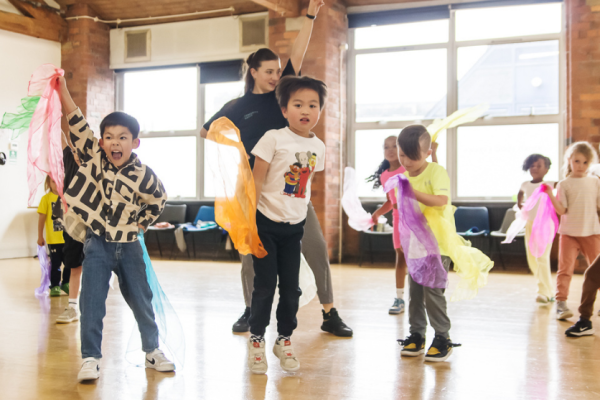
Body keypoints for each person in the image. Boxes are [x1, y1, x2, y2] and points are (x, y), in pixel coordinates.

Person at [201, 0, 352, 337]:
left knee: (315, 247)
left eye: (277, 70)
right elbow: (205, 131)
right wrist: (239, 150)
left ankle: (330, 312)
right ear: (252, 71)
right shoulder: (236, 107)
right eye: (268, 71)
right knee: (249, 255)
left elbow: (300, 45)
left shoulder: (280, 96)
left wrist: (310, 15)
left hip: (290, 189)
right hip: (251, 189)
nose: (275, 76)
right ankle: (250, 309)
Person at [56, 76, 175, 381]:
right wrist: (63, 90)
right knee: (91, 301)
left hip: (130, 246)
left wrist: (142, 223)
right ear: (101, 142)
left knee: (141, 299)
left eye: (123, 137)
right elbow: (76, 123)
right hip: (97, 243)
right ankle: (90, 358)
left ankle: (152, 350)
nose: (115, 143)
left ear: (135, 142)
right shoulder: (94, 160)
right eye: (109, 137)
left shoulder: (144, 175)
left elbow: (158, 200)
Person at [246, 75, 327, 374]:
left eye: (312, 105)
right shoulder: (272, 138)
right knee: (265, 286)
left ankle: (284, 338)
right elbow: (256, 181)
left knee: (291, 289)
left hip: (294, 228)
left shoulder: (318, 146)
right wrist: (250, 224)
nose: (305, 110)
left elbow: (307, 186)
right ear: (284, 110)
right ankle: (256, 341)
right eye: (298, 104)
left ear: (319, 110)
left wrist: (302, 215)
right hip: (265, 224)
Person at [395, 125, 459, 362]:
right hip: (415, 246)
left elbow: (441, 201)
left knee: (433, 293)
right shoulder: (403, 176)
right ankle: (416, 335)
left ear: (428, 153)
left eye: (413, 156)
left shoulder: (436, 171)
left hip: (438, 244)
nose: (407, 161)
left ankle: (443, 337)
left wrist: (413, 193)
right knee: (416, 293)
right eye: (402, 155)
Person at [544, 142, 600, 320]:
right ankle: (561, 304)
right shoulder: (564, 184)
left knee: (597, 270)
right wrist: (550, 195)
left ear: (590, 163)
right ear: (569, 161)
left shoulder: (595, 182)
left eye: (585, 162)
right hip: (568, 233)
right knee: (565, 269)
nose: (581, 166)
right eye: (577, 161)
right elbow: (562, 210)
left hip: (591, 232)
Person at [368, 136, 407, 314]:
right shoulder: (385, 176)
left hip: (415, 219)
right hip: (398, 219)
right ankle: (399, 298)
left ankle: (420, 295)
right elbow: (390, 202)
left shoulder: (408, 169)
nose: (390, 150)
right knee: (400, 257)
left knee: (415, 257)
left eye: (394, 146)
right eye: (386, 147)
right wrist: (377, 213)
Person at [516, 154, 557, 305]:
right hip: (530, 224)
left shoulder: (549, 183)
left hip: (545, 224)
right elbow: (520, 193)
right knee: (533, 258)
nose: (535, 168)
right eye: (532, 165)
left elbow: (564, 185)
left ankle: (544, 292)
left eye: (539, 166)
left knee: (542, 258)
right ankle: (548, 290)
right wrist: (520, 204)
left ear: (546, 169)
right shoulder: (525, 183)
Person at [56, 134, 84, 323]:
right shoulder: (68, 158)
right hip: (73, 223)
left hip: (95, 222)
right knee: (74, 264)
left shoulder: (95, 164)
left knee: (97, 266)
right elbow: (59, 137)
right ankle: (73, 307)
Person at [37, 176, 68, 297]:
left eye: (59, 181)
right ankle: (55, 285)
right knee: (55, 263)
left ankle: (66, 283)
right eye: (53, 182)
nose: (57, 184)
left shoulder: (67, 197)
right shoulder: (46, 199)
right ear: (48, 183)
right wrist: (40, 236)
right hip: (54, 240)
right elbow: (41, 219)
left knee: (69, 263)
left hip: (67, 238)